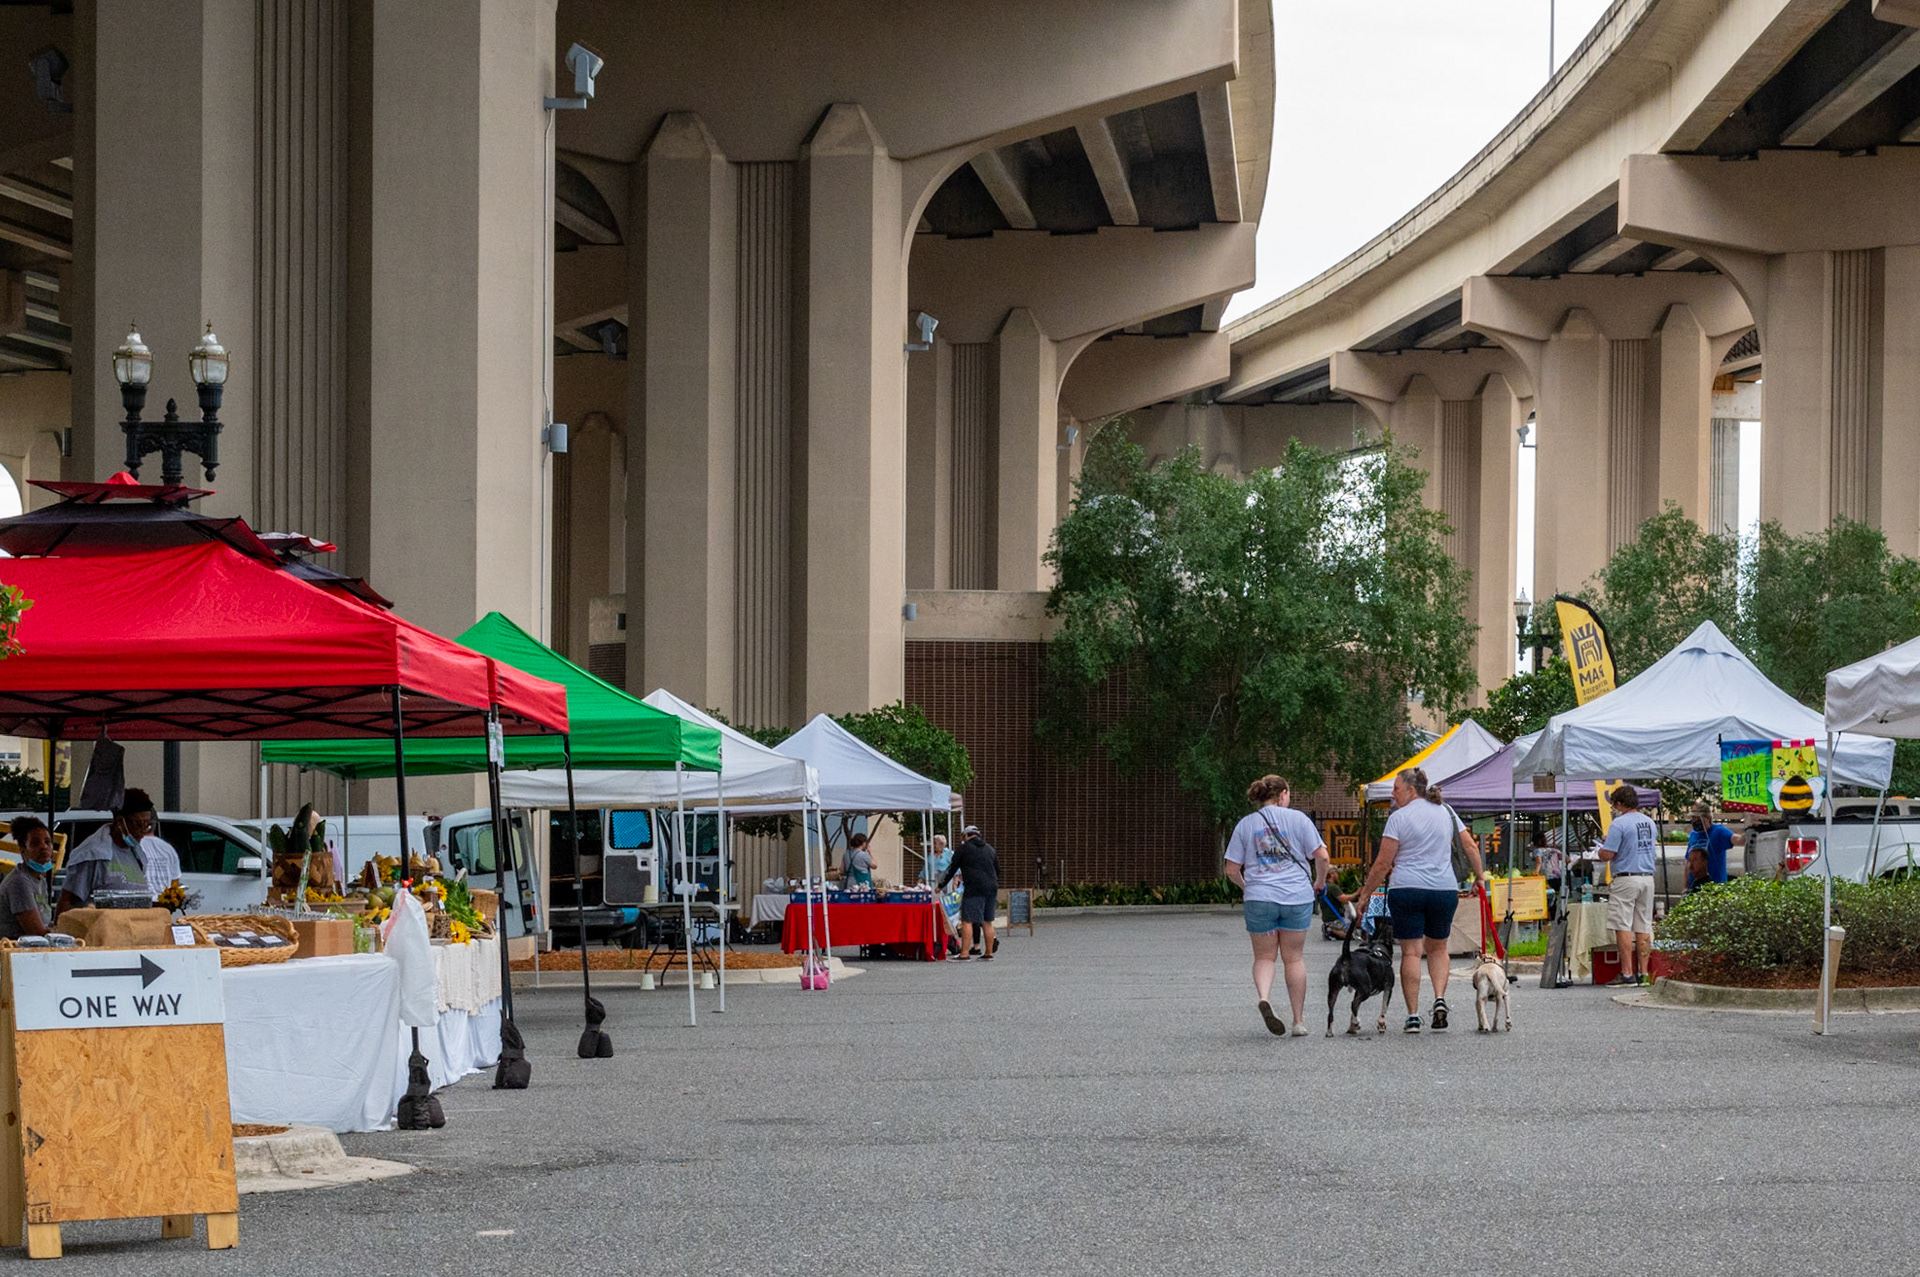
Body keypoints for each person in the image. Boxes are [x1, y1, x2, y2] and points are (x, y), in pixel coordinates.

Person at [1353, 767, 1488, 1033]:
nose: (1393, 794)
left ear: (1411, 790)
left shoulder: (1398, 818)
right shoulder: (1447, 812)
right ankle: (1439, 998)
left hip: (1407, 889)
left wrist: (1365, 895)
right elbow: (1470, 846)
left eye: (1396, 789)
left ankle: (1413, 1016)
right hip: (1443, 890)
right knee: (1438, 949)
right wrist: (1480, 877)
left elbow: (1382, 863)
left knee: (1412, 952)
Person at [1221, 775, 1329, 1037]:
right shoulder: (1299, 820)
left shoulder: (1246, 824)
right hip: (1296, 897)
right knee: (1294, 959)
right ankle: (1298, 1021)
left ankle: (1264, 997)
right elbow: (1322, 856)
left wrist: (1247, 887)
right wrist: (1319, 881)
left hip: (1260, 898)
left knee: (1264, 957)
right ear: (1282, 795)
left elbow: (1231, 869)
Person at [57, 789, 157, 916]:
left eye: (147, 825)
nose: (143, 830)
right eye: (139, 824)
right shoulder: (93, 854)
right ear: (120, 822)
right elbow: (67, 900)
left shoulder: (137, 854)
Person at [1598, 783, 1658, 986]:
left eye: (1614, 805)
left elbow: (1608, 854)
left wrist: (1602, 848)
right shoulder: (1649, 822)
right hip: (1647, 877)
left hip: (1626, 878)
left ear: (1619, 804)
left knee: (1622, 925)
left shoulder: (1618, 824)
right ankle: (1644, 973)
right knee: (1643, 926)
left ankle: (1627, 973)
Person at [940, 825, 999, 961]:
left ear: (966, 836)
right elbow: (997, 869)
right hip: (991, 887)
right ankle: (989, 953)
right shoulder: (990, 849)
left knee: (967, 921)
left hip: (974, 887)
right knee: (987, 921)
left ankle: (964, 954)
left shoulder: (963, 849)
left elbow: (952, 868)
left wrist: (940, 885)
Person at [0, 817, 56, 939]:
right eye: (35, 843)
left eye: (47, 842)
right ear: (23, 851)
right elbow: (36, 932)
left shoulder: (41, 881)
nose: (44, 847)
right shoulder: (19, 882)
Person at [1688, 800, 1733, 887]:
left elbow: (1735, 839)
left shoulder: (1719, 831)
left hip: (1715, 886)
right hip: (1695, 886)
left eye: (1697, 818)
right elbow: (1688, 861)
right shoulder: (1693, 834)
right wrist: (1686, 886)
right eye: (1693, 818)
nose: (1695, 820)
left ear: (1707, 817)